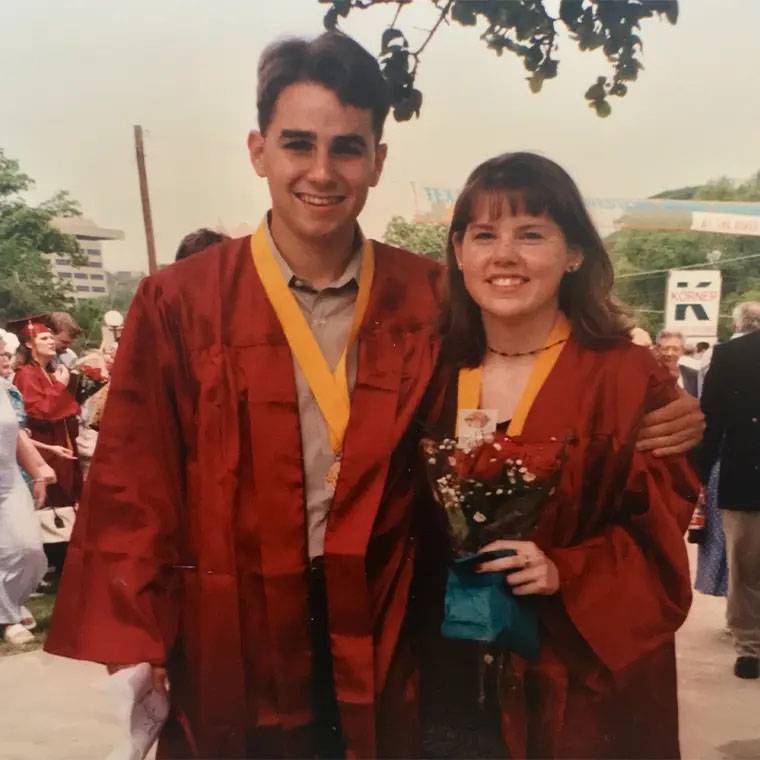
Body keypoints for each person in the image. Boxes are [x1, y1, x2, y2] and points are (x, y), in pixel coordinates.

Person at [45, 33, 704, 760]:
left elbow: (535, 369)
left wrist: (665, 407)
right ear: (259, 150)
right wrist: (136, 637)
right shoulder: (180, 301)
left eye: (348, 148)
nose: (321, 172)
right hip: (234, 617)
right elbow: (136, 479)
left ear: (377, 161)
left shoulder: (425, 294)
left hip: (395, 611)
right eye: (298, 144)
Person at [419, 152, 698, 759]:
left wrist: (564, 570)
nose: (504, 256)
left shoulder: (626, 378)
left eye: (532, 234)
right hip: (443, 675)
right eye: (484, 235)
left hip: (572, 675)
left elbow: (659, 534)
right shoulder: (426, 372)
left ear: (574, 254)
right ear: (459, 253)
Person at [696, 301, 760, 680]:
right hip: (746, 476)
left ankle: (750, 644)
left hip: (744, 475)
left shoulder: (732, 354)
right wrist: (693, 479)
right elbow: (710, 422)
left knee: (746, 568)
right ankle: (750, 646)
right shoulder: (733, 355)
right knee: (746, 566)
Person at [0, 335, 55, 645]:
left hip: (8, 480)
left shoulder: (5, 389)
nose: (5, 358)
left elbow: (17, 435)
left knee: (30, 549)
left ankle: (13, 602)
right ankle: (8, 615)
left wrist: (38, 470)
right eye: (0, 353)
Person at [8, 318, 82, 510]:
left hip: (62, 444)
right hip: (45, 449)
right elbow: (38, 412)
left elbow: (67, 408)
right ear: (29, 343)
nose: (51, 341)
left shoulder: (50, 372)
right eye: (43, 338)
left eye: (51, 337)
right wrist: (59, 385)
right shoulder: (25, 374)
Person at [655, 329, 698, 397]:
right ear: (657, 349)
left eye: (675, 349)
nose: (670, 353)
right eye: (665, 349)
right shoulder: (647, 376)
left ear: (682, 351)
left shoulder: (694, 376)